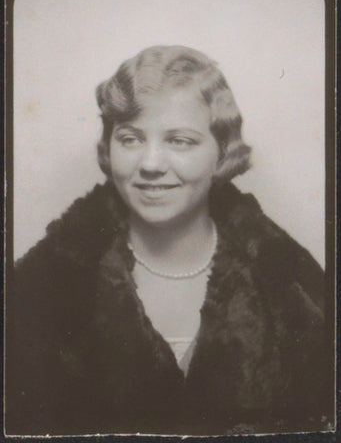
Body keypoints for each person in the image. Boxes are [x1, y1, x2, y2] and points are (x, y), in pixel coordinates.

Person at [6, 46, 332, 436]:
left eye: (180, 141)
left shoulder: (297, 291)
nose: (150, 164)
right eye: (130, 139)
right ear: (110, 147)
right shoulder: (37, 288)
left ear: (222, 152)